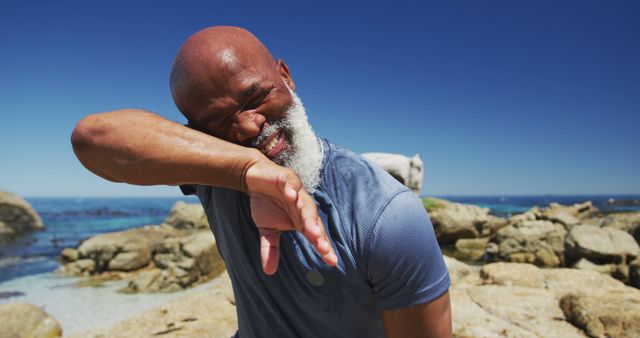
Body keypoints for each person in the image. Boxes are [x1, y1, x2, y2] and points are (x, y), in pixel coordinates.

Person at [71, 26, 452, 338]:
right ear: (199, 133)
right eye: (220, 121)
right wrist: (244, 171)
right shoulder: (216, 173)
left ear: (285, 76)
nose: (249, 125)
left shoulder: (386, 216)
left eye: (255, 96)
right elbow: (92, 139)